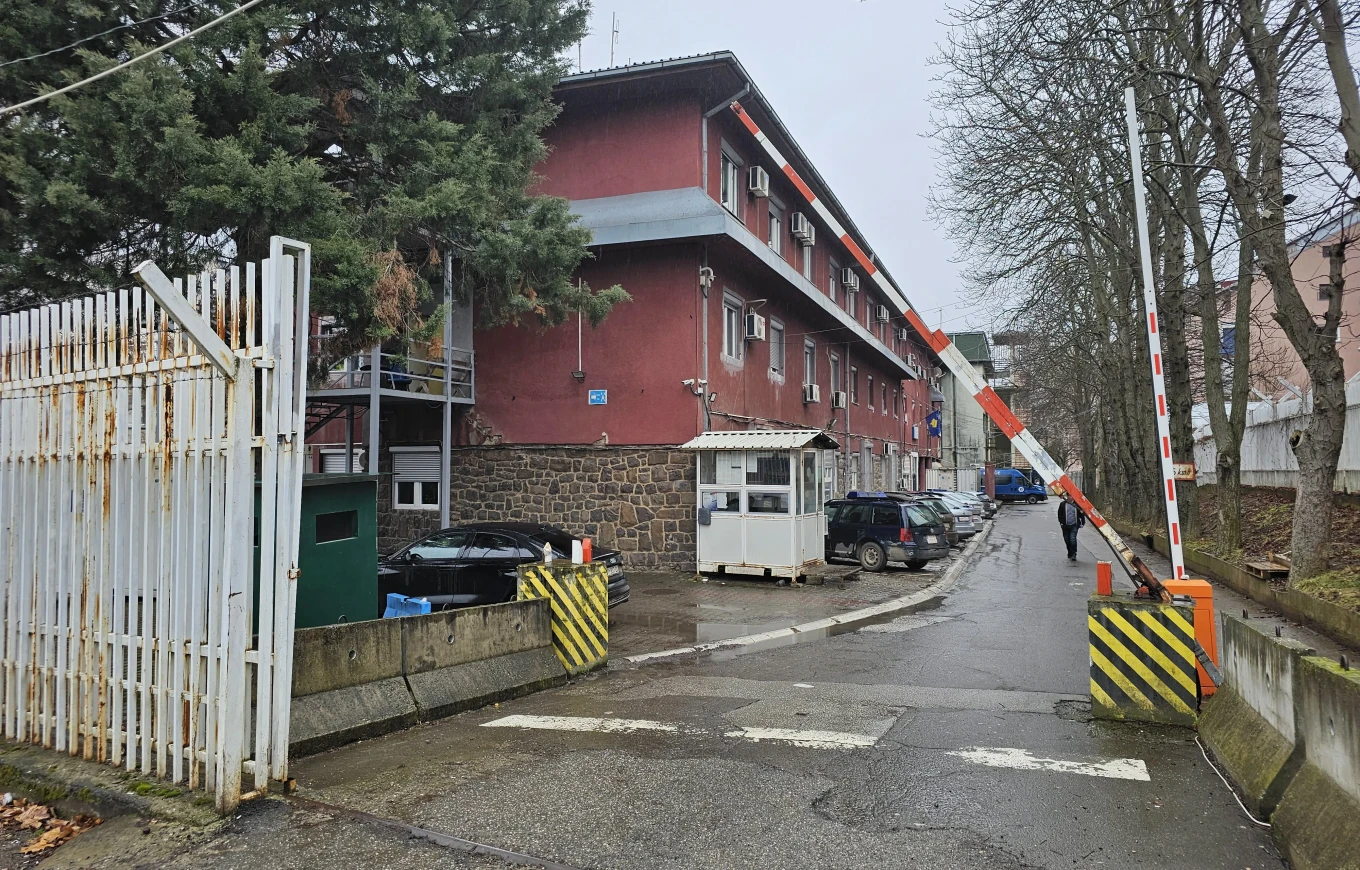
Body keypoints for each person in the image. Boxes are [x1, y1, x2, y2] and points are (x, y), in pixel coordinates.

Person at [1057, 492, 1085, 561]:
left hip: (1074, 525)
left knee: (1072, 539)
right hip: (1065, 525)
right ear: (1067, 496)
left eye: (1072, 496)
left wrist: (1082, 522)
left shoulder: (1077, 505)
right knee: (1067, 540)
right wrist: (1061, 523)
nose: (1071, 497)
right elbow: (1059, 514)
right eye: (1069, 496)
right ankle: (1070, 551)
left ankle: (1074, 554)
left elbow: (1082, 514)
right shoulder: (1063, 504)